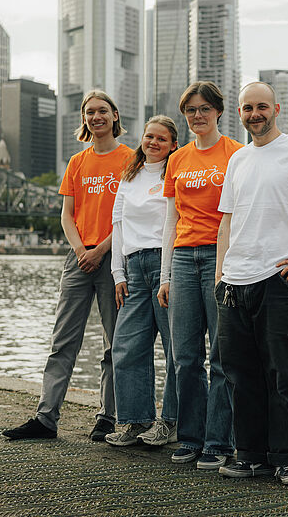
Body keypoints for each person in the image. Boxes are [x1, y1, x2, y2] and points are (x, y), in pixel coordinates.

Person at [214, 82, 288, 486]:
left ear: (276, 109)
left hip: (279, 278)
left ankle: (286, 458)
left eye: (262, 106)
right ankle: (250, 456)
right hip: (235, 281)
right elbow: (227, 220)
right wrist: (219, 275)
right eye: (248, 108)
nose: (255, 114)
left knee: (283, 374)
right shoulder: (238, 160)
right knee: (240, 375)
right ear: (240, 112)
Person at [3, 90, 135, 442]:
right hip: (79, 258)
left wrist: (100, 250)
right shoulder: (77, 162)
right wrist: (81, 250)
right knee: (63, 341)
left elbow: (129, 217)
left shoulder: (131, 159)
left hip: (114, 258)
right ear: (84, 119)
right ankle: (46, 418)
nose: (96, 117)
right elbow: (67, 214)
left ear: (115, 116)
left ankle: (107, 417)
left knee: (114, 342)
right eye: (90, 112)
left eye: (102, 111)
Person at [157, 81, 243, 470]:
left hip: (218, 257)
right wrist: (165, 275)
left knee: (220, 357)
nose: (197, 116)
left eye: (204, 109)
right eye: (190, 110)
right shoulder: (177, 160)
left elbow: (239, 217)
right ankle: (190, 437)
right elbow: (170, 220)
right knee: (184, 357)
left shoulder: (237, 155)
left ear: (219, 112)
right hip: (184, 258)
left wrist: (231, 267)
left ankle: (218, 442)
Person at [105, 116, 179, 447]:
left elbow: (174, 222)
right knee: (126, 346)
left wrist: (167, 273)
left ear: (173, 145)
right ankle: (136, 420)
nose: (153, 142)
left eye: (161, 139)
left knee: (176, 348)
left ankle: (172, 421)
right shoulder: (130, 176)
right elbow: (118, 225)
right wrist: (117, 273)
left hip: (166, 264)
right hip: (134, 268)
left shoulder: (174, 174)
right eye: (149, 136)